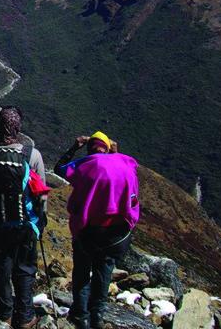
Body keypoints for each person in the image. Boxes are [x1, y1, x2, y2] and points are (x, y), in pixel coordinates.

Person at [54, 132, 140, 329]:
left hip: (88, 232)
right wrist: (116, 153)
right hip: (116, 235)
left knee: (82, 271)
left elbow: (59, 169)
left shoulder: (87, 165)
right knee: (104, 273)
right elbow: (130, 186)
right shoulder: (126, 164)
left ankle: (80, 316)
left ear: (90, 148)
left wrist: (75, 147)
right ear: (108, 148)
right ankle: (97, 317)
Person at [0, 106, 50, 329]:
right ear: (18, 126)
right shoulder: (32, 155)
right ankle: (26, 316)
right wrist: (41, 222)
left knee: (1, 267)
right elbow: (41, 193)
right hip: (26, 223)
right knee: (25, 268)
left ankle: (4, 313)